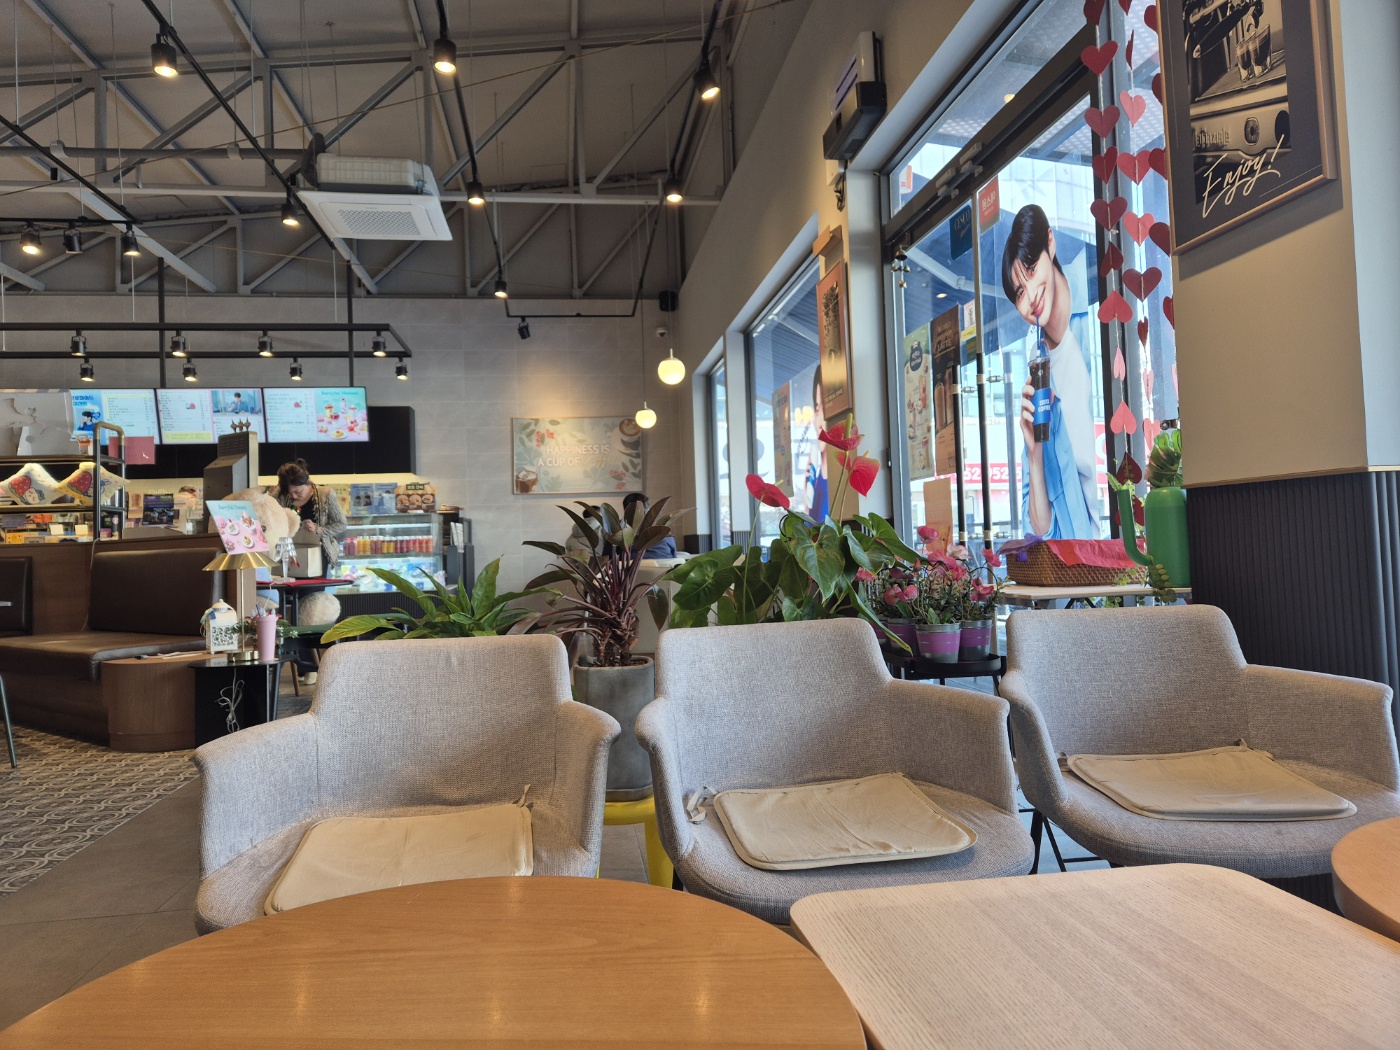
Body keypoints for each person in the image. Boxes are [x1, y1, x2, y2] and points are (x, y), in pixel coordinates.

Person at [1001, 204, 1098, 539]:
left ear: (1051, 244)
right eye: (1019, 292)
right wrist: (1033, 452)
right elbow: (1041, 528)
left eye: (1031, 269)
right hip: (1085, 563)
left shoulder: (1099, 305)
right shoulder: (1038, 368)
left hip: (1131, 549)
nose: (1030, 296)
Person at [273, 460, 348, 571]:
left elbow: (341, 523)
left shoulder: (325, 494)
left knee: (313, 581)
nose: (294, 496)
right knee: (287, 581)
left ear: (308, 482)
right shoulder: (280, 495)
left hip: (318, 554)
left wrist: (318, 530)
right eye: (289, 493)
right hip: (288, 552)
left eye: (297, 491)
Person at [802, 369, 829, 521]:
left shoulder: (836, 485)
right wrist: (807, 503)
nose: (819, 419)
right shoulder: (816, 480)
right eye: (817, 408)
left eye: (825, 407)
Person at [622, 492, 677, 559]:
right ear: (648, 509)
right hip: (665, 564)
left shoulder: (621, 531)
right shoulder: (663, 530)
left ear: (626, 510)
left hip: (635, 564)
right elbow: (674, 555)